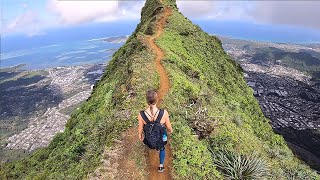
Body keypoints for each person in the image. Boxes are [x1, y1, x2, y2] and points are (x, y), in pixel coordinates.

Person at [138, 90, 173, 172]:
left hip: (149, 141)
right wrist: (171, 130)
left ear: (147, 101)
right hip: (161, 138)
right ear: (157, 100)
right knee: (162, 148)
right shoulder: (164, 113)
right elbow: (168, 127)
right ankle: (161, 166)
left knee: (149, 139)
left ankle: (153, 145)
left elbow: (140, 128)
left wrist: (140, 135)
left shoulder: (141, 114)